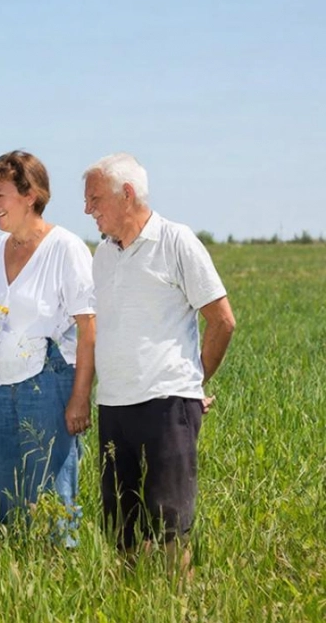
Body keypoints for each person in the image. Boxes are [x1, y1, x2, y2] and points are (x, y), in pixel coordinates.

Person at [83, 153, 235, 572]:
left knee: (170, 525)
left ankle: (174, 608)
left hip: (167, 404)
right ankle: (132, 605)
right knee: (121, 529)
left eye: (95, 199)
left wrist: (192, 381)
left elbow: (222, 320)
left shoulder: (176, 240)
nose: (87, 210)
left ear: (126, 194)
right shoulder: (103, 254)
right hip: (113, 404)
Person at [0, 151, 95, 543]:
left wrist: (80, 397)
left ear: (30, 195)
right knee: (3, 491)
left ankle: (57, 578)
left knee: (50, 492)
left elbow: (88, 327)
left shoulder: (66, 247)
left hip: (48, 381)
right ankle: (13, 581)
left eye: (0, 194)